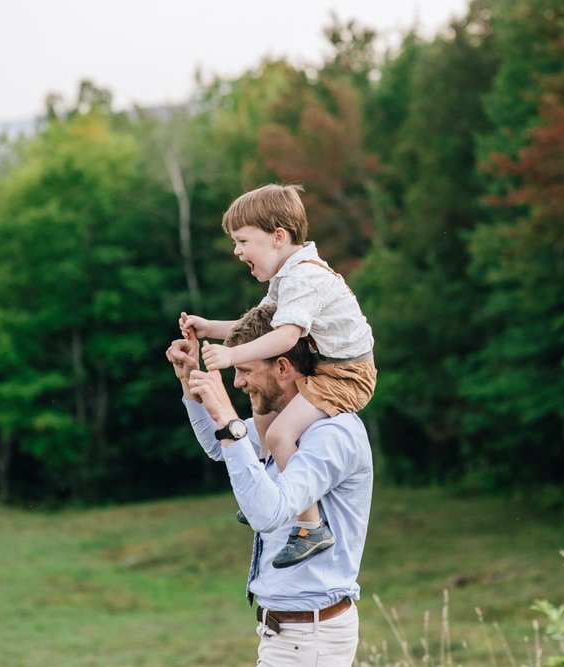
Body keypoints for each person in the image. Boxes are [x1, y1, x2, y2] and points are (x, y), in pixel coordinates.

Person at [179, 183, 376, 568]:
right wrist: (209, 328)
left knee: (282, 433)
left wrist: (232, 353)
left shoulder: (304, 277)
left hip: (346, 375)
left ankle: (310, 527)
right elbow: (258, 326)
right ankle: (268, 491)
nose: (236, 251)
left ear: (278, 237)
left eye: (242, 240)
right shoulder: (285, 278)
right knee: (264, 417)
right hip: (326, 367)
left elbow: (286, 335)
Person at [166, 305, 373, 666]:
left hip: (310, 638)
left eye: (245, 370)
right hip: (293, 634)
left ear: (282, 367)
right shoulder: (282, 428)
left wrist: (228, 417)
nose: (238, 382)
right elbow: (222, 446)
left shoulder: (331, 434)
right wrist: (190, 382)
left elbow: (267, 513)